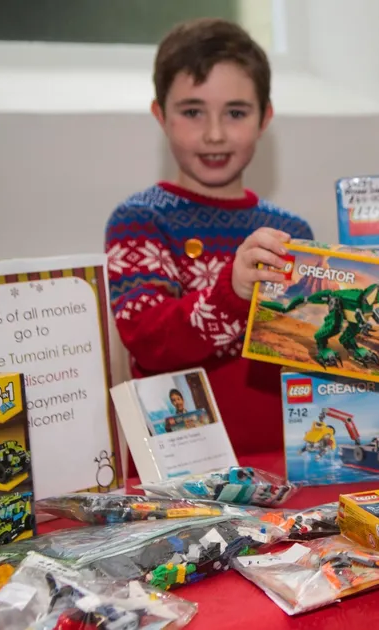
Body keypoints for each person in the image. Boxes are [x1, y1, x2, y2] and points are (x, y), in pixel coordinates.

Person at [106, 18, 312, 458]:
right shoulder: (139, 221)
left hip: (290, 463)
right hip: (180, 478)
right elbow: (149, 340)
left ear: (264, 118)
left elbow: (307, 350)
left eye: (236, 112)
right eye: (192, 111)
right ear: (160, 114)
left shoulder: (291, 233)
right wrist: (233, 291)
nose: (215, 133)